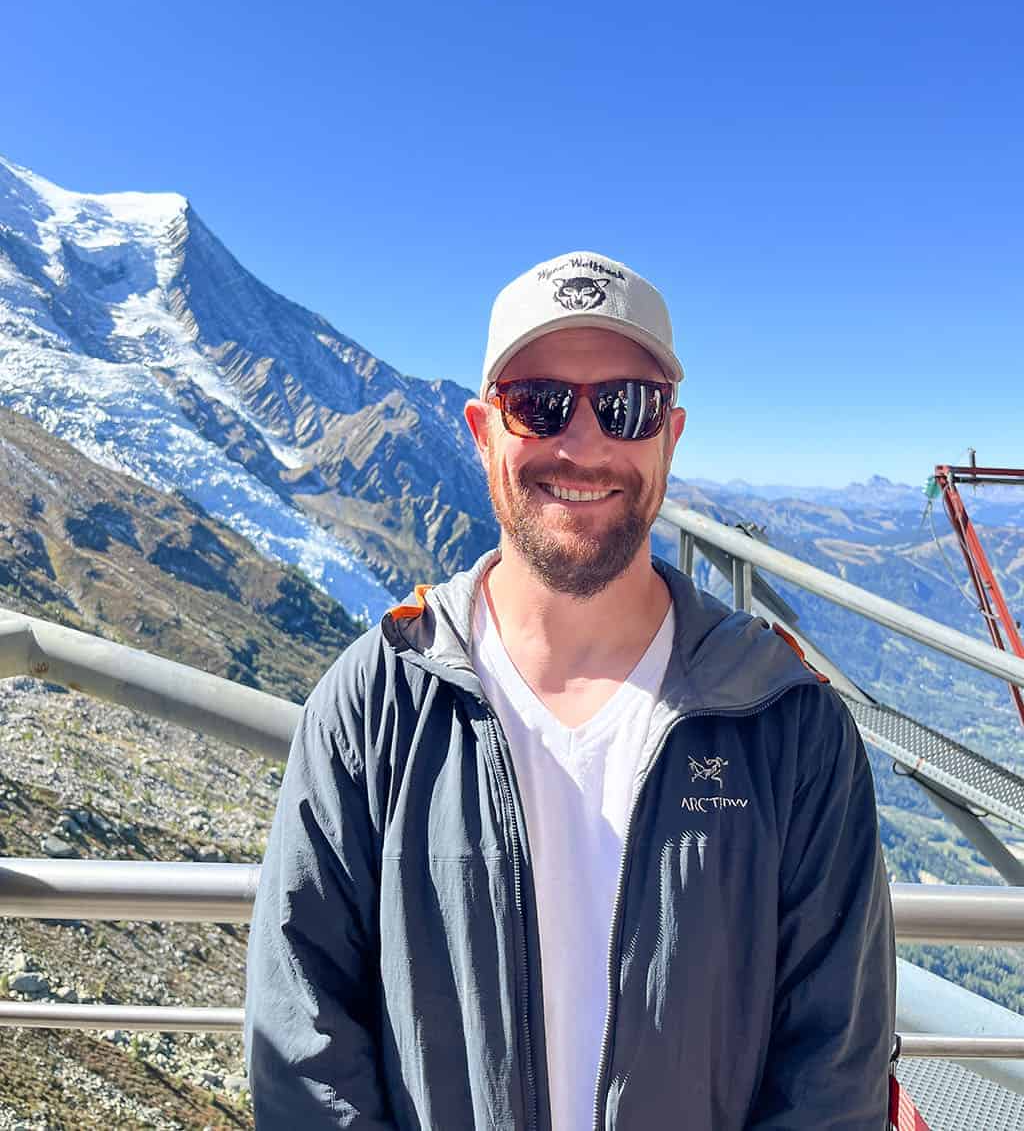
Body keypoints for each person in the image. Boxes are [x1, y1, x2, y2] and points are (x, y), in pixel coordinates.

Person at [245, 251, 896, 1130]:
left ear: (671, 435)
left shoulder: (790, 725)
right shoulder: (372, 705)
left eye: (627, 406)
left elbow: (834, 1077)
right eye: (539, 403)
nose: (584, 444)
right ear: (481, 431)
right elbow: (303, 1042)